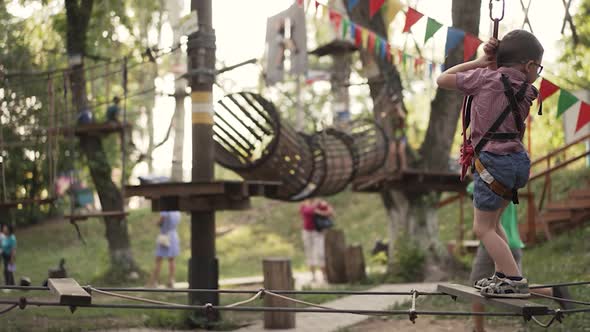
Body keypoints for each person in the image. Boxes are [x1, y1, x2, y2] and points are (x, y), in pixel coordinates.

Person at [437, 30, 544, 297]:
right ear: (528, 66)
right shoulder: (529, 90)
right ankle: (502, 275)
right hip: (517, 163)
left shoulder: (484, 78)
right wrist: (495, 63)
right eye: (538, 67)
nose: (538, 73)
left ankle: (515, 280)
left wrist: (480, 62)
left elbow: (441, 79)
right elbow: (506, 80)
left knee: (482, 228)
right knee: (494, 224)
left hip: (492, 165)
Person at [466, 183, 572, 332]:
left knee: (476, 290)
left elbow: (479, 210)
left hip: (492, 245)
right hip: (512, 242)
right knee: (515, 291)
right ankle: (552, 291)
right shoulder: (508, 181)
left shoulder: (479, 183)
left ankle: (479, 330)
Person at [299, 199, 333, 282]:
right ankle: (313, 276)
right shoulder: (305, 204)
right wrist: (316, 209)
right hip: (307, 232)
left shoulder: (320, 204)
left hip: (317, 232)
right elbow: (306, 212)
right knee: (309, 253)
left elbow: (330, 212)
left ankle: (324, 275)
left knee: (320, 253)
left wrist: (321, 207)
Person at [148, 211, 181, 288]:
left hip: (165, 236)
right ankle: (171, 280)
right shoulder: (177, 212)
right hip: (174, 235)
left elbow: (160, 222)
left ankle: (154, 281)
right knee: (172, 260)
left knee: (158, 259)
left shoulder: (166, 211)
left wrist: (157, 223)